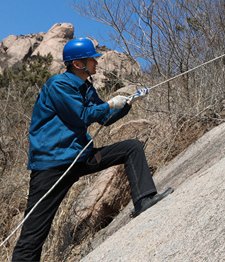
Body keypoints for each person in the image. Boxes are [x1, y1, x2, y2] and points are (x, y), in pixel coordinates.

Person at [12, 38, 172, 262]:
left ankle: (144, 200)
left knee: (131, 148)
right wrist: (109, 104)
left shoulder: (85, 87)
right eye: (92, 59)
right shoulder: (59, 85)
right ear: (78, 63)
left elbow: (104, 118)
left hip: (79, 157)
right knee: (33, 235)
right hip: (53, 166)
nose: (97, 63)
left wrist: (127, 104)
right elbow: (82, 115)